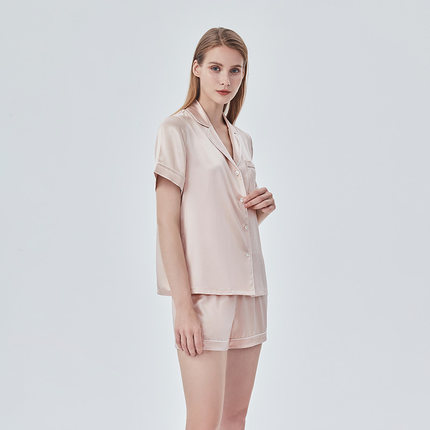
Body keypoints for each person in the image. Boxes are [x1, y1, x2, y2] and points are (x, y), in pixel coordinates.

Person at [153, 27, 276, 430]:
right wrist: (182, 306)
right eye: (216, 68)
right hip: (205, 295)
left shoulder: (242, 139)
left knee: (234, 418)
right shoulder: (177, 130)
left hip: (250, 291)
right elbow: (167, 222)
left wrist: (260, 211)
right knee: (204, 421)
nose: (226, 79)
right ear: (197, 69)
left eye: (235, 70)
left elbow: (220, 217)